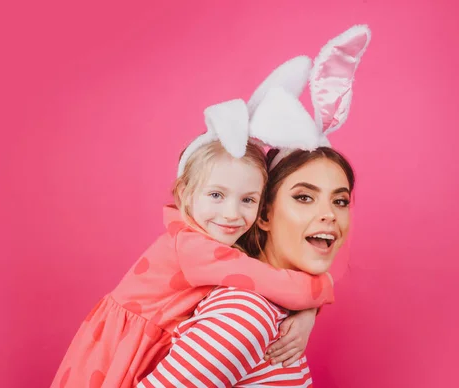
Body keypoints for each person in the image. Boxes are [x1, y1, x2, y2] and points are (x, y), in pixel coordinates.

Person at [50, 48, 341, 388]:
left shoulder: (216, 244)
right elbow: (272, 283)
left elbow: (267, 283)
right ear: (185, 193)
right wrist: (323, 288)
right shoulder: (192, 247)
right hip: (116, 357)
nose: (232, 214)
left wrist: (306, 314)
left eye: (248, 199)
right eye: (216, 195)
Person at [137, 24, 371, 387]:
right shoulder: (246, 315)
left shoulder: (272, 309)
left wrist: (308, 307)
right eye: (304, 197)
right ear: (261, 214)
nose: (329, 214)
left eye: (340, 200)